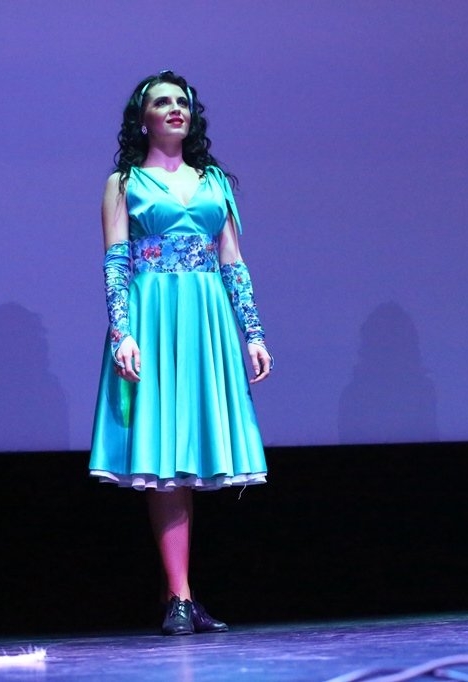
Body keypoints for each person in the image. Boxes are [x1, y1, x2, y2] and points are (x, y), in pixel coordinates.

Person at [89, 71, 273, 635]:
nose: (175, 109)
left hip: (205, 319)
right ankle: (178, 597)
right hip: (154, 317)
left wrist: (253, 332)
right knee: (165, 463)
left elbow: (233, 263)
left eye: (182, 102)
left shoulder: (216, 182)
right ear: (142, 118)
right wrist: (122, 332)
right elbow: (116, 262)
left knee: (192, 459)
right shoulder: (124, 183)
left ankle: (184, 596)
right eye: (162, 102)